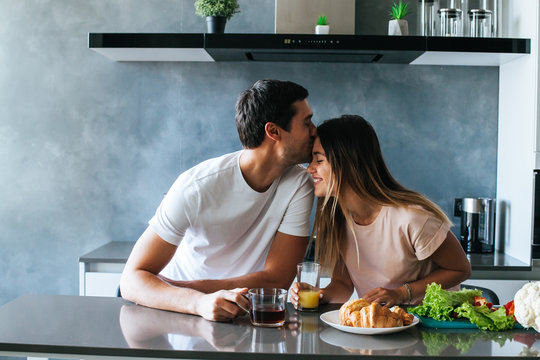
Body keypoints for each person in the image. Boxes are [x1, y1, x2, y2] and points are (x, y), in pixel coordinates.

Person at [121, 79, 316, 321]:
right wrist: (197, 301)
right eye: (307, 122)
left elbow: (278, 279)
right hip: (181, 314)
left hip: (245, 314)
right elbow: (130, 281)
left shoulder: (299, 184)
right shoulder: (195, 187)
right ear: (274, 132)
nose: (315, 130)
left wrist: (184, 286)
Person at [290, 115, 471, 309]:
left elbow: (460, 269)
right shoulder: (339, 220)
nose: (310, 169)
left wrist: (402, 293)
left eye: (319, 160)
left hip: (428, 331)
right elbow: (342, 283)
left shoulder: (412, 218)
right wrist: (321, 295)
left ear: (349, 163)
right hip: (380, 327)